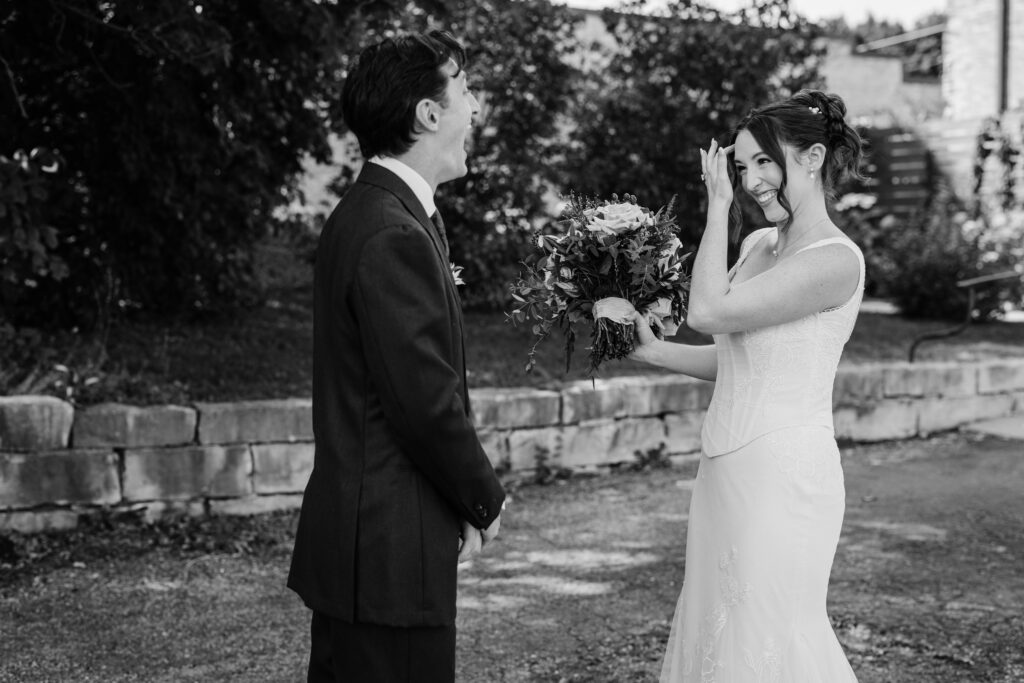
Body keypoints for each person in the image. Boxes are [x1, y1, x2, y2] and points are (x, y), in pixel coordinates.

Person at [287, 30, 505, 683]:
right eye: (465, 89)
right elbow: (423, 403)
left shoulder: (380, 212)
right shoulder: (390, 230)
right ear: (428, 113)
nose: (476, 108)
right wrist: (483, 498)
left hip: (368, 549)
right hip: (388, 552)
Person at [629, 89, 865, 681]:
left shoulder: (837, 261)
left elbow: (706, 310)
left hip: (784, 478)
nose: (752, 180)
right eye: (740, 166)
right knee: (713, 626)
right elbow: (731, 356)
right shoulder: (761, 245)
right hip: (725, 471)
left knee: (768, 633)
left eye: (765, 161)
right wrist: (654, 349)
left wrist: (716, 206)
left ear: (812, 158)